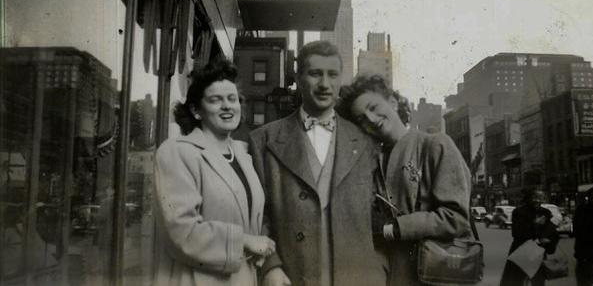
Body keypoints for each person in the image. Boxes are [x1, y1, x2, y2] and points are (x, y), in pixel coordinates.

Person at [248, 41, 387, 286]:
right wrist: (270, 266)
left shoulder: (366, 143)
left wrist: (378, 269)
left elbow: (381, 214)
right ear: (299, 78)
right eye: (315, 74)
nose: (324, 84)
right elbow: (257, 214)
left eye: (332, 75)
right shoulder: (264, 140)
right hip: (291, 276)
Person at [337, 74, 472, 286]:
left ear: (392, 102)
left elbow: (456, 219)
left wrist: (393, 228)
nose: (371, 119)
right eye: (362, 119)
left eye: (373, 107)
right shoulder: (370, 162)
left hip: (437, 275)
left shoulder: (435, 145)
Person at [153, 60, 275, 286]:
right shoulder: (177, 152)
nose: (227, 106)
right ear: (196, 111)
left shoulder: (244, 156)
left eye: (232, 99)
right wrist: (245, 241)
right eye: (215, 100)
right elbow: (181, 232)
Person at [499, 189, 558, 286]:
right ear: (528, 198)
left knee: (538, 281)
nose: (537, 200)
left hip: (538, 252)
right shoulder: (518, 212)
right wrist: (533, 224)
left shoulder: (546, 212)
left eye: (540, 198)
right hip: (521, 251)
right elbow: (516, 233)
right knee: (517, 280)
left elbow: (552, 233)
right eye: (535, 197)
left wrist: (548, 241)